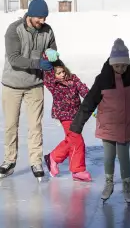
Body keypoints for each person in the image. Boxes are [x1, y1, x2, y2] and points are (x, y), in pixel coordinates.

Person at [69, 38, 130, 203]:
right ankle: (109, 183)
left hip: (126, 125)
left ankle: (126, 187)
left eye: (124, 65)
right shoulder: (103, 79)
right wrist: (77, 125)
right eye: (117, 65)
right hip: (108, 126)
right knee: (109, 156)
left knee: (124, 157)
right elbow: (89, 102)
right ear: (111, 63)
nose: (121, 69)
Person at [0, 0, 57, 181]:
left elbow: (52, 52)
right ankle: (9, 161)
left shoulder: (47, 31)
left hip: (35, 85)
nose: (43, 21)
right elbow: (14, 58)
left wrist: (53, 59)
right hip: (12, 85)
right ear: (31, 15)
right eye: (40, 17)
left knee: (35, 126)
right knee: (11, 125)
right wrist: (38, 63)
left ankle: (36, 161)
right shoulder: (14, 30)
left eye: (45, 18)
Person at [38, 49, 92, 182]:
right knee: (77, 140)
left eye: (63, 72)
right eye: (58, 73)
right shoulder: (53, 83)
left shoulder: (73, 78)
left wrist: (93, 103)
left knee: (71, 140)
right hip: (64, 115)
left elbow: (84, 90)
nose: (62, 75)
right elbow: (47, 71)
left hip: (77, 114)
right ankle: (78, 170)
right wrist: (47, 58)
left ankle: (52, 157)